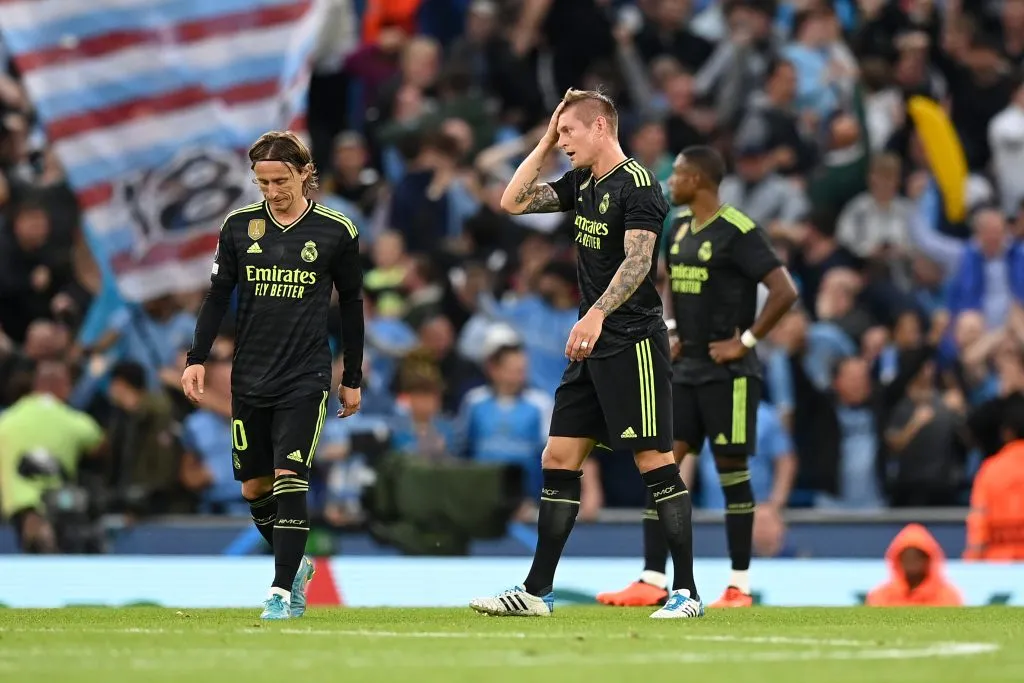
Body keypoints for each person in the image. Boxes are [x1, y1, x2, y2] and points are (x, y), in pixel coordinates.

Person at [469, 89, 703, 619]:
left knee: (655, 462)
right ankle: (535, 592)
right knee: (558, 458)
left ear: (600, 126)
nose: (564, 143)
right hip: (591, 345)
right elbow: (512, 201)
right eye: (561, 135)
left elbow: (639, 262)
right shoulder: (582, 182)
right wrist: (546, 139)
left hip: (633, 341)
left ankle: (686, 593)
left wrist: (596, 313)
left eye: (570, 133)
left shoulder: (638, 185)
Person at [598, 146, 798, 609]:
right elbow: (664, 281)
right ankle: (651, 579)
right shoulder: (681, 227)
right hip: (684, 371)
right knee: (662, 467)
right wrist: (669, 328)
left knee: (733, 474)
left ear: (701, 180)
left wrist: (746, 342)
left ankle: (739, 585)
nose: (670, 181)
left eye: (679, 175)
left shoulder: (739, 230)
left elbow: (785, 290)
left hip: (730, 374)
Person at [182, 131, 365, 620]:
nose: (272, 191)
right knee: (255, 489)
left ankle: (281, 591)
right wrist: (197, 356)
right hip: (250, 376)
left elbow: (350, 305)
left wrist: (353, 374)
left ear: (304, 172)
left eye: (280, 180)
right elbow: (217, 296)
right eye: (262, 182)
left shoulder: (336, 230)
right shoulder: (239, 227)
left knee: (291, 477)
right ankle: (297, 564)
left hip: (306, 375)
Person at [964, 394, 1024, 561]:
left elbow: (978, 525)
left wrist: (972, 562)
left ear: (1007, 433)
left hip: (998, 568)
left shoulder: (990, 470)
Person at [866, 523, 963, 607]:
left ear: (929, 559)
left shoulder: (947, 595)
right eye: (906, 557)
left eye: (918, 557)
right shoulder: (881, 595)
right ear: (897, 560)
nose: (912, 562)